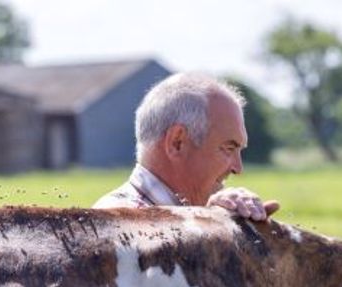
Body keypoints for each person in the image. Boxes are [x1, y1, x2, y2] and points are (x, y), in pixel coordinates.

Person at [94, 72, 278, 220]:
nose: (238, 168)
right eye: (229, 148)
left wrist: (215, 218)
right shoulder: (126, 226)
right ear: (177, 143)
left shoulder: (163, 220)